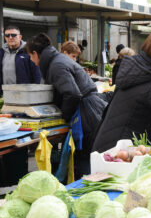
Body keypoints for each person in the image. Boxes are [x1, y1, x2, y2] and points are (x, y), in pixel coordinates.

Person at [25, 33, 107, 179]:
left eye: (31, 57)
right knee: (86, 157)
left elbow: (72, 94)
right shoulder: (57, 61)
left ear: (36, 53)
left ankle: (87, 188)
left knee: (85, 159)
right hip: (89, 109)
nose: (32, 61)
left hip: (87, 112)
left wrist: (64, 116)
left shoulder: (57, 65)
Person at [0, 25, 41, 95]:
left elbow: (36, 74)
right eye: (7, 35)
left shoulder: (29, 52)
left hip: (24, 94)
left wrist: (34, 93)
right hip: (4, 94)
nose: (10, 38)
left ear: (20, 37)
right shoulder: (1, 52)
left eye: (13, 35)